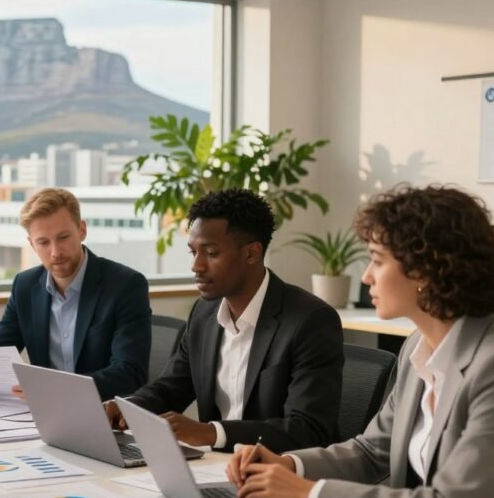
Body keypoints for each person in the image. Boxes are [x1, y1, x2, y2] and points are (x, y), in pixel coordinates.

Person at [227, 185, 494, 498]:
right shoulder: (419, 345)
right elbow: (371, 452)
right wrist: (289, 465)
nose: (366, 277)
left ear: (427, 269)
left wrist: (310, 495)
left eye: (378, 260)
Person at [104, 188, 344, 452]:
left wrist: (211, 433)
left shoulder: (309, 321)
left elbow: (307, 429)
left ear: (252, 253)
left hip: (276, 474)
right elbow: (171, 388)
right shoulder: (204, 314)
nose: (196, 266)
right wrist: (127, 405)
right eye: (193, 252)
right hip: (215, 467)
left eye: (211, 253)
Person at [0, 188, 151, 401]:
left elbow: (130, 373)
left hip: (102, 412)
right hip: (41, 413)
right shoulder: (25, 285)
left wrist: (55, 389)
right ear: (32, 243)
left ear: (82, 230)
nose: (55, 252)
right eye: (43, 242)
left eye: (63, 237)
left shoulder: (125, 285)